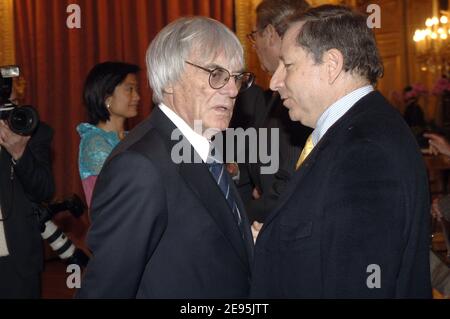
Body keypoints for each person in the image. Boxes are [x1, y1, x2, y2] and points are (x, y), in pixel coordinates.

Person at [251, 5, 431, 298]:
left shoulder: (366, 151)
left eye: (289, 65)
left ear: (332, 64)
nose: (275, 82)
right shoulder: (356, 129)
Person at [76, 17, 255, 298]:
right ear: (171, 79)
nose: (232, 90)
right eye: (216, 74)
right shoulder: (139, 166)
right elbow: (106, 289)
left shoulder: (202, 144)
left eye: (236, 77)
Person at [243, 0, 312, 223]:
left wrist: (241, 214)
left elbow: (292, 184)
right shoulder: (276, 91)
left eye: (255, 35)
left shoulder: (298, 91)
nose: (254, 45)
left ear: (270, 33)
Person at [0, 78, 55, 298]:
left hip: (16, 258)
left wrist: (19, 153)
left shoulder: (32, 131)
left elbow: (45, 191)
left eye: (12, 102)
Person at [77, 62, 140, 208]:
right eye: (129, 89)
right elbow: (125, 194)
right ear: (107, 98)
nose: (137, 97)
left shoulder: (132, 137)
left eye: (136, 89)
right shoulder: (94, 143)